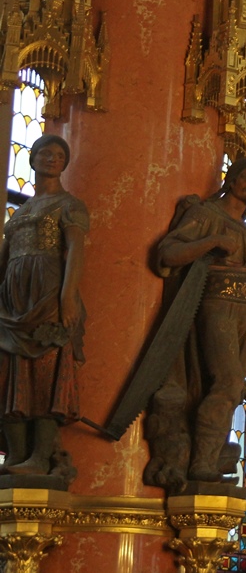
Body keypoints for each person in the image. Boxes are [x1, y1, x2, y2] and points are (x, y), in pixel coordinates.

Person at [143, 158, 246, 492]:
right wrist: (211, 242)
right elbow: (168, 252)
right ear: (231, 179)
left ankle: (211, 456)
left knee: (235, 389)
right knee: (227, 381)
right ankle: (201, 463)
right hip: (218, 306)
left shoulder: (244, 229)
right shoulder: (206, 214)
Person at [0, 134, 88, 480]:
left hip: (47, 291)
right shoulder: (22, 210)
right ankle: (17, 454)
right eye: (44, 153)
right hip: (13, 298)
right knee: (11, 373)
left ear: (65, 164)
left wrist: (67, 297)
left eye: (58, 154)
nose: (51, 158)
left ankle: (40, 454)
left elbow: (76, 251)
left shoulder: (70, 205)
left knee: (46, 372)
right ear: (32, 159)